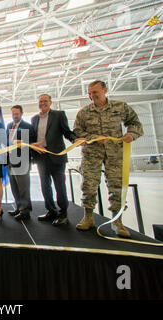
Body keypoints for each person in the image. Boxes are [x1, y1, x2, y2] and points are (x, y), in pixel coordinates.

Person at [73, 80, 144, 238]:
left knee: (117, 187)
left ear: (105, 90)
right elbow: (77, 132)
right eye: (90, 93)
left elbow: (135, 123)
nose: (92, 96)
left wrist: (131, 134)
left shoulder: (120, 107)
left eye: (95, 93)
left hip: (114, 154)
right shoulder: (84, 112)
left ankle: (117, 221)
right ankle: (88, 217)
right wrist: (93, 137)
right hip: (92, 155)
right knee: (88, 186)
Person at [31, 94, 77, 226]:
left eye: (45, 101)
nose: (43, 103)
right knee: (45, 186)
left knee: (60, 186)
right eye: (40, 101)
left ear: (50, 102)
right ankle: (51, 211)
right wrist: (33, 144)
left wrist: (75, 139)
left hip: (56, 156)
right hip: (41, 156)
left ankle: (63, 214)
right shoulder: (34, 118)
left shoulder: (59, 115)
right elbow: (33, 136)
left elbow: (67, 132)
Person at [6, 105, 35, 221]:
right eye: (13, 113)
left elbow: (33, 142)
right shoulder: (9, 126)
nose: (14, 115)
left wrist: (23, 142)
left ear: (21, 113)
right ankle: (18, 207)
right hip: (10, 161)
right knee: (14, 187)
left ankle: (25, 211)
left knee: (23, 188)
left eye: (17, 113)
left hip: (22, 162)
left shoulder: (27, 126)